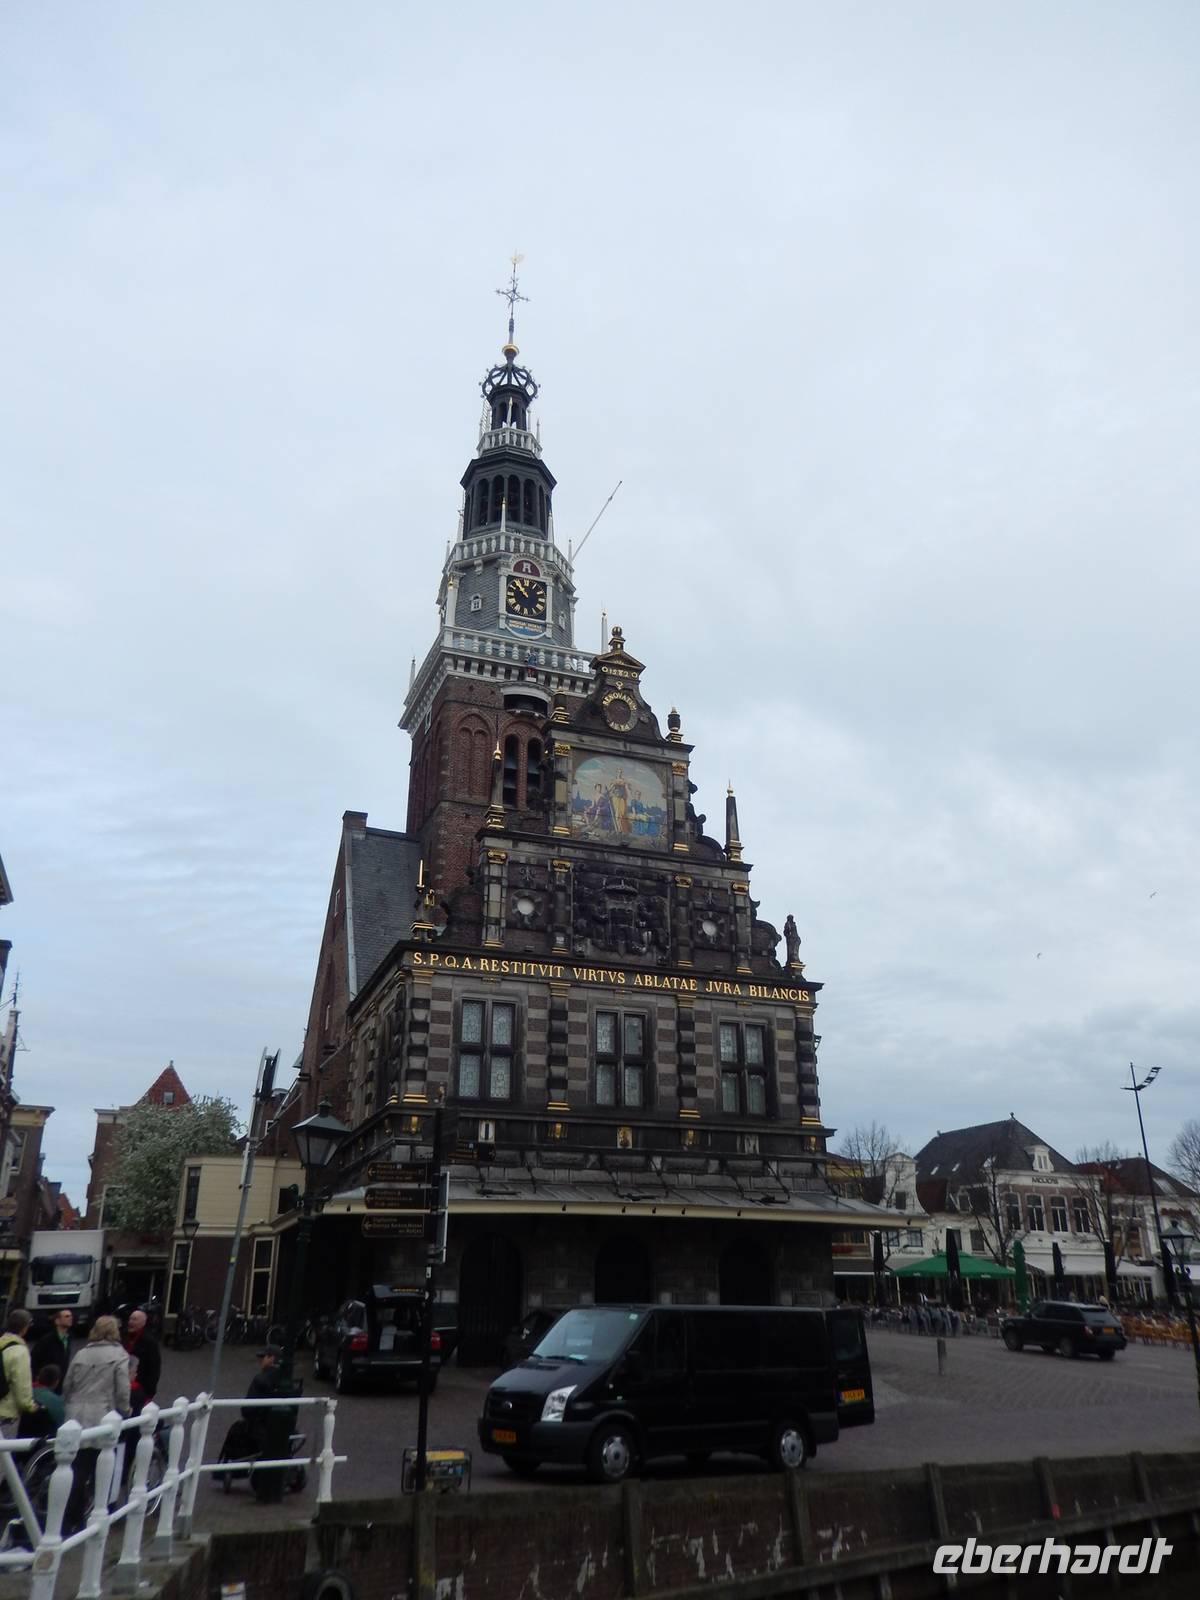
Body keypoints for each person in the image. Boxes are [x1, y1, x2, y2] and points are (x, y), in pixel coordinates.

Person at [62, 1316, 131, 1533]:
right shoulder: (119, 1355)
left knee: (75, 1467)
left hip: (75, 1415)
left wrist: (70, 1404)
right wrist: (125, 1410)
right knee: (100, 1466)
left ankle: (69, 1517)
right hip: (102, 1415)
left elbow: (67, 1385)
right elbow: (123, 1389)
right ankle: (97, 1514)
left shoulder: (81, 1353)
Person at [0, 1309, 38, 1438]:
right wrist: (30, 1406)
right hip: (6, 1414)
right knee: (5, 1450)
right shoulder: (19, 1351)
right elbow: (22, 1385)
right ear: (25, 1327)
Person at [122, 1308, 161, 1416]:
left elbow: (154, 1369)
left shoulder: (150, 1342)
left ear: (143, 1323)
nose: (130, 1322)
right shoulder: (124, 1337)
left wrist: (149, 1393)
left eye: (134, 1319)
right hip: (123, 1384)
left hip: (139, 1387)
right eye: (130, 1319)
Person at [30, 1309, 74, 1392]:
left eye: (71, 1316)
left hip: (60, 1383)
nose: (71, 1318)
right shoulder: (47, 1340)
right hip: (47, 1383)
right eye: (67, 1316)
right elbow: (34, 1360)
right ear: (57, 1321)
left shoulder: (68, 1338)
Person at [20, 1366, 66, 1438]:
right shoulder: (56, 1401)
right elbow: (59, 1425)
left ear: (38, 1377)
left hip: (20, 1435)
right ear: (56, 1382)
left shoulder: (23, 1392)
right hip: (43, 1438)